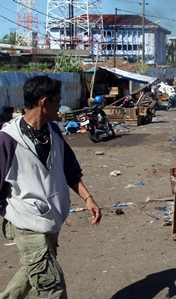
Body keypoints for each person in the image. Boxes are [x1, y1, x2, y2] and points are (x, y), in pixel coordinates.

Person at [0, 75, 102, 298]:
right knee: (51, 284)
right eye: (57, 101)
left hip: (51, 218)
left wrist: (88, 198)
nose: (60, 106)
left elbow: (70, 170)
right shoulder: (8, 139)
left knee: (32, 270)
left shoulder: (53, 132)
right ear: (44, 102)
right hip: (24, 220)